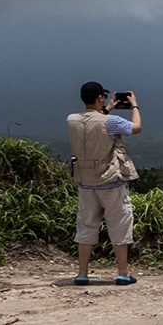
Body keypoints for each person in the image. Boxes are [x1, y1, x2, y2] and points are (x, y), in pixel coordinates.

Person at [67, 82, 142, 285]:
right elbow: (136, 128)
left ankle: (82, 273)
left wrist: (108, 107)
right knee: (119, 226)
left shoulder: (72, 120)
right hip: (110, 182)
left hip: (85, 182)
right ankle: (122, 273)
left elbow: (92, 123)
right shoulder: (112, 121)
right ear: (100, 97)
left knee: (85, 226)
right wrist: (134, 105)